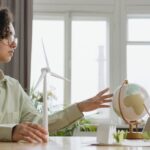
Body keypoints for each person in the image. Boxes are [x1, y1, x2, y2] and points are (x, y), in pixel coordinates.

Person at [0, 7, 113, 143]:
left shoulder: (14, 88)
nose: (13, 44)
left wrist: (79, 107)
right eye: (7, 36)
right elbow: (13, 132)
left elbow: (41, 124)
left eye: (13, 37)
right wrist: (10, 132)